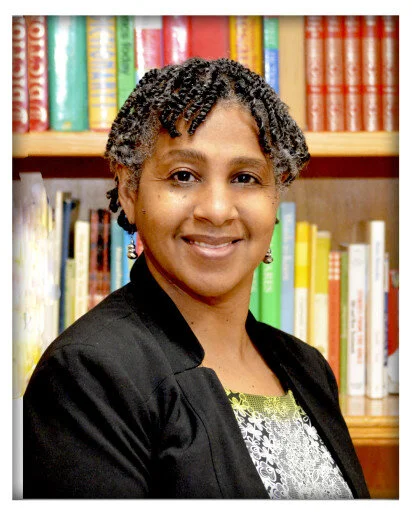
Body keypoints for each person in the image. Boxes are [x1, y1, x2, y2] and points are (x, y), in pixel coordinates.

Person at [23, 57, 370, 499]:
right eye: (183, 176)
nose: (217, 210)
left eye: (245, 177)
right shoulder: (88, 375)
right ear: (129, 191)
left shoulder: (308, 367)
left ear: (275, 197)